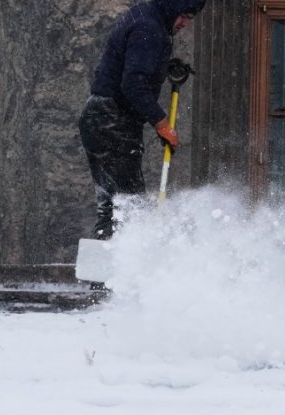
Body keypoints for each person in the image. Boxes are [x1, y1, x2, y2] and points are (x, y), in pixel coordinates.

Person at [79, 0, 206, 239]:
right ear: (173, 7)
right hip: (112, 120)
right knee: (127, 207)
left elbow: (130, 64)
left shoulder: (146, 16)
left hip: (101, 117)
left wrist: (161, 66)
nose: (185, 24)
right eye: (184, 16)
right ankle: (115, 260)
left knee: (115, 205)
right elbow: (133, 84)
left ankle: (108, 257)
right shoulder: (149, 28)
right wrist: (162, 124)